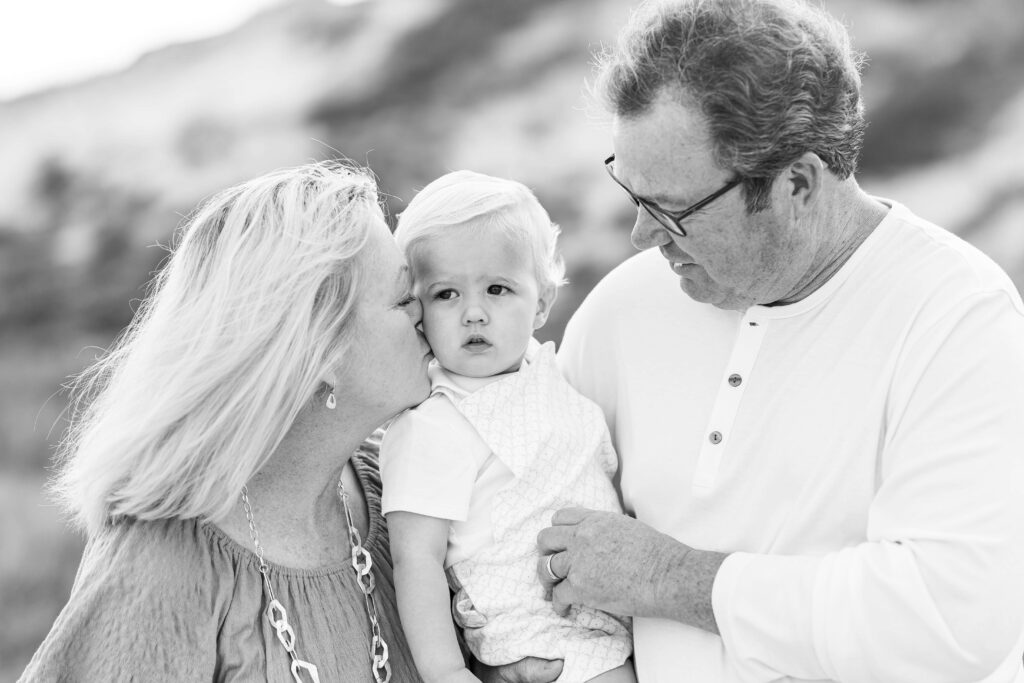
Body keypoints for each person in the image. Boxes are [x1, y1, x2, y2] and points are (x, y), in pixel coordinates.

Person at [534, 0, 1024, 681]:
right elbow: (523, 530)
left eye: (673, 211)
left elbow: (950, 620)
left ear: (796, 182)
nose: (642, 238)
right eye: (632, 193)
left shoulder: (957, 318)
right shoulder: (620, 311)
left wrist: (671, 579)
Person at [19, 160, 437, 682]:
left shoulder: (409, 487)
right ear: (322, 349)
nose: (429, 310)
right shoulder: (162, 562)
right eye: (402, 298)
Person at [380, 171, 634, 683]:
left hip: (611, 622)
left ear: (540, 302)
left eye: (498, 289)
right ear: (417, 311)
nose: (474, 312)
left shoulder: (549, 377)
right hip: (536, 640)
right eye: (446, 294)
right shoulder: (435, 424)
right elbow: (417, 559)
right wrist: (447, 671)